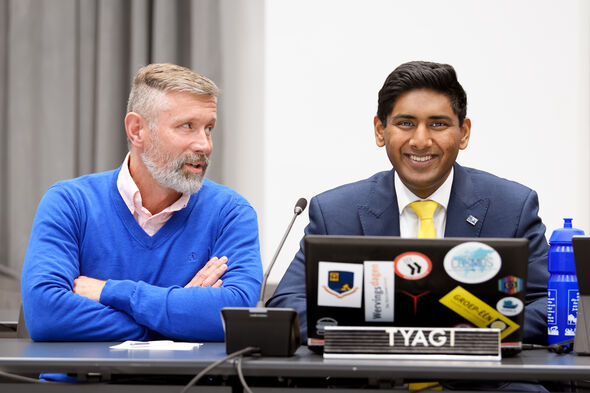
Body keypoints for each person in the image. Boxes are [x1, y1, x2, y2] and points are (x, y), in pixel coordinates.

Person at [268, 61, 549, 346]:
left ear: (463, 133)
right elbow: (287, 307)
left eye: (438, 124)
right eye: (406, 124)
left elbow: (550, 305)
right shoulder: (335, 211)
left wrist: (455, 337)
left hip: (481, 384)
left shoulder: (513, 207)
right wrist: (395, 336)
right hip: (372, 381)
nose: (421, 140)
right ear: (380, 130)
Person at [21, 63, 262, 342]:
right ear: (137, 130)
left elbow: (234, 316)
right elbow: (45, 315)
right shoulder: (70, 203)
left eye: (208, 128)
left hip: (187, 385)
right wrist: (176, 319)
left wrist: (112, 292)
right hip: (83, 385)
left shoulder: (231, 213)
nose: (204, 145)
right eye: (187, 126)